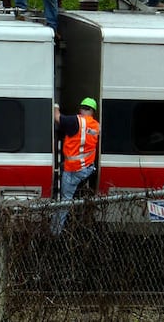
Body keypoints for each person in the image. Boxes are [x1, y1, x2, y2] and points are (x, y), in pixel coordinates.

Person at [51, 97, 100, 235]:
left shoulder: (76, 121)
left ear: (81, 109)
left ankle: (55, 232)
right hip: (87, 168)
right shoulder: (96, 125)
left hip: (74, 169)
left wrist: (55, 105)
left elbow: (57, 117)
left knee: (64, 202)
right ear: (93, 111)